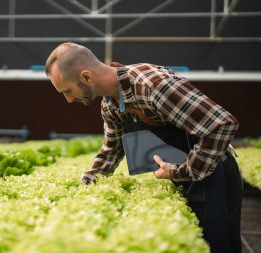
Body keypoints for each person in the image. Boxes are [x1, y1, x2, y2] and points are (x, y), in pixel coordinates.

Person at [45, 42, 242, 253]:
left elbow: (222, 125)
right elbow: (112, 149)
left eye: (67, 90)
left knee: (217, 245)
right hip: (181, 176)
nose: (67, 99)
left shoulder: (152, 85)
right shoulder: (110, 104)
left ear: (86, 77)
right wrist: (89, 179)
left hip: (212, 174)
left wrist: (181, 171)